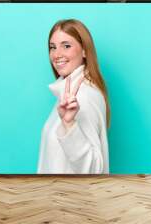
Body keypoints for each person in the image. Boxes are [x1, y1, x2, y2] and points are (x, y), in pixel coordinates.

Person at [37, 19, 111, 174]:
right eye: (52, 47)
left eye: (66, 46)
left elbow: (95, 169)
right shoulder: (68, 93)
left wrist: (69, 125)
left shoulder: (85, 96)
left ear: (84, 50)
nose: (57, 55)